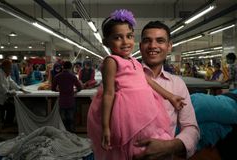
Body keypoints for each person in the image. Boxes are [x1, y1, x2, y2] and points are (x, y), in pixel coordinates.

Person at [87, 9, 185, 160]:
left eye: (129, 36)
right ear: (106, 42)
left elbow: (148, 81)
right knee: (127, 145)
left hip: (144, 110)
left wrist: (170, 96)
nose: (125, 42)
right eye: (118, 37)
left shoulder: (135, 61)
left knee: (147, 141)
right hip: (126, 113)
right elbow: (108, 93)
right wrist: (106, 127)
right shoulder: (111, 61)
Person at [133, 21, 200, 160]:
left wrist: (169, 146)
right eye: (147, 41)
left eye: (160, 40)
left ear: (169, 46)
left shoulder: (177, 85)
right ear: (140, 46)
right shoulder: (123, 78)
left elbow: (191, 127)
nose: (153, 46)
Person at [51, 61, 82, 132]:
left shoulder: (57, 76)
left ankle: (64, 135)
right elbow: (79, 88)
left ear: (63, 67)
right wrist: (74, 91)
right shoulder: (72, 76)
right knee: (71, 120)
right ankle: (72, 136)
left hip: (62, 101)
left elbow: (53, 88)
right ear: (71, 68)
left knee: (63, 121)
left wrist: (60, 90)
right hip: (70, 100)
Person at [0, 59, 28, 128]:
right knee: (10, 108)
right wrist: (11, 92)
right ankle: (5, 124)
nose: (11, 69)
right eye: (9, 67)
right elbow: (2, 88)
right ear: (4, 67)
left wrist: (20, 89)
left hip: (3, 98)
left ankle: (7, 123)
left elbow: (12, 82)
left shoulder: (6, 74)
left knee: (11, 107)